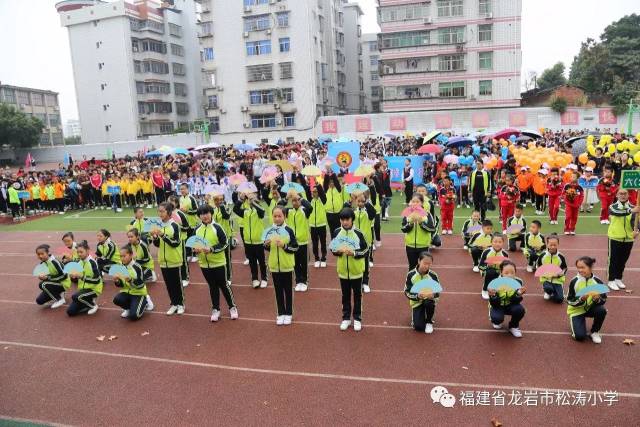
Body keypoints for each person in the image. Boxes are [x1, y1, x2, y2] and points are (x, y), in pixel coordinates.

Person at [194, 204, 238, 322]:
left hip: (218, 263)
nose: (205, 216)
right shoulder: (197, 229)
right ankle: (215, 309)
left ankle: (232, 307)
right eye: (202, 214)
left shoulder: (217, 227)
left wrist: (212, 249)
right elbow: (194, 245)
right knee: (212, 286)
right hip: (204, 264)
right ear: (199, 216)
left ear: (211, 213)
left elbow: (224, 243)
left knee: (223, 285)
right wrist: (195, 250)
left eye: (207, 213)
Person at [332, 208, 369, 332]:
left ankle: (357, 318)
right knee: (345, 295)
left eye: (347, 219)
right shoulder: (337, 232)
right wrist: (337, 251)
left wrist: (353, 253)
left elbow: (365, 250)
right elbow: (333, 249)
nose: (345, 222)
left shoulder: (359, 233)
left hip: (356, 271)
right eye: (342, 219)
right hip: (343, 271)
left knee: (357, 296)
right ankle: (346, 318)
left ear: (352, 219)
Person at [265, 206, 299, 325]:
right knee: (278, 291)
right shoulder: (269, 230)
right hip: (274, 266)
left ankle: (289, 313)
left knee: (288, 291)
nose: (277, 218)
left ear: (285, 216)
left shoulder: (289, 230)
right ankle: (280, 313)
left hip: (287, 266)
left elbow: (295, 247)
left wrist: (284, 246)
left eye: (280, 216)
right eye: (275, 216)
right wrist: (267, 244)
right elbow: (267, 248)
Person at [150, 202, 185, 315]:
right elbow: (158, 245)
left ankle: (181, 304)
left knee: (177, 284)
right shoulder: (158, 225)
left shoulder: (175, 225)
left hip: (174, 260)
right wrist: (155, 238)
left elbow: (175, 243)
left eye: (162, 211)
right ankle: (173, 304)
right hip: (163, 261)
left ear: (169, 212)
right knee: (169, 284)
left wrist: (162, 235)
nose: (160, 213)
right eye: (158, 211)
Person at [567, 256, 607, 344]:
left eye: (582, 267)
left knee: (602, 310)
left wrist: (597, 299)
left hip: (590, 308)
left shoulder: (597, 281)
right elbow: (569, 300)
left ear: (591, 267)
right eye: (578, 268)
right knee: (580, 337)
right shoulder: (574, 281)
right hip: (576, 310)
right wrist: (581, 299)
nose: (580, 270)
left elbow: (604, 299)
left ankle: (595, 332)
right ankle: (578, 322)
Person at [606, 188, 640, 291]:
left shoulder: (634, 207)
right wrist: (631, 210)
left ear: (628, 195)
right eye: (620, 193)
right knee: (613, 260)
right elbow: (618, 212)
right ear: (617, 195)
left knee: (623, 260)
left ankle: (618, 278)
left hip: (629, 239)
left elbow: (636, 221)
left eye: (625, 193)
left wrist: (637, 230)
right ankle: (611, 280)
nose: (623, 195)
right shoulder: (613, 206)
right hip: (615, 237)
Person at [233, 191, 268, 288]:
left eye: (253, 198)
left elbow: (262, 211)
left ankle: (264, 278)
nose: (250, 200)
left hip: (258, 241)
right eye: (249, 199)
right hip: (248, 241)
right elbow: (235, 209)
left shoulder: (259, 211)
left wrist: (253, 202)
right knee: (252, 261)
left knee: (261, 261)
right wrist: (241, 199)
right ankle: (255, 278)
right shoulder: (245, 212)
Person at [283, 190, 313, 292]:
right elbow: (278, 208)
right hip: (293, 243)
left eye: (297, 200)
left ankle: (304, 281)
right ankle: (298, 281)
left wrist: (300, 198)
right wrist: (286, 198)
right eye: (293, 200)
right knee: (295, 263)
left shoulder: (304, 211)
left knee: (303, 263)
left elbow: (310, 207)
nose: (295, 202)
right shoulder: (289, 211)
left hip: (303, 242)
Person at [404, 252, 440, 334]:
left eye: (429, 264)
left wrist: (433, 295)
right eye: (425, 263)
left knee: (429, 302)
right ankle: (419, 315)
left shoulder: (433, 275)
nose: (427, 266)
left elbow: (437, 292)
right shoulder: (411, 275)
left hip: (428, 301)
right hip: (417, 302)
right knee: (418, 327)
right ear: (419, 261)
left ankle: (429, 321)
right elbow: (406, 292)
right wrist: (417, 296)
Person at [488, 260, 526, 338]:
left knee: (520, 310)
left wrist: (518, 294)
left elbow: (516, 301)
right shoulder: (495, 282)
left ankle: (513, 326)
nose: (509, 275)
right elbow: (494, 303)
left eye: (512, 272)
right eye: (506, 273)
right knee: (497, 319)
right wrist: (493, 296)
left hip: (511, 304)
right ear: (501, 272)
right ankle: (497, 319)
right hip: (497, 305)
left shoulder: (518, 282)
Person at [66, 240, 102, 316]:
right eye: (78, 252)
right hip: (83, 290)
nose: (79, 254)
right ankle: (86, 302)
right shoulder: (79, 262)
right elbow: (77, 278)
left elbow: (97, 280)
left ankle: (93, 305)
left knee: (76, 297)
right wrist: (73, 277)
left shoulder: (92, 263)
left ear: (87, 251)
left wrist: (82, 277)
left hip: (94, 289)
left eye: (81, 252)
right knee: (70, 312)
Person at [113, 244, 149, 320]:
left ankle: (145, 302)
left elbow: (141, 285)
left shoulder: (137, 267)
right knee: (116, 300)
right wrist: (117, 281)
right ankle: (128, 308)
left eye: (124, 256)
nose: (122, 258)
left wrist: (130, 280)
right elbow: (121, 285)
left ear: (131, 255)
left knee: (134, 316)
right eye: (121, 256)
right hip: (127, 292)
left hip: (138, 293)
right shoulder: (120, 267)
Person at [401, 194, 436, 270]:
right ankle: (411, 281)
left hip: (423, 245)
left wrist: (421, 223)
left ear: (422, 203)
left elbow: (431, 229)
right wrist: (410, 223)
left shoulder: (427, 214)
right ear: (410, 202)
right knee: (412, 267)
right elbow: (403, 229)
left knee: (423, 267)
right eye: (413, 201)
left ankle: (423, 281)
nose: (415, 203)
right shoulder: (407, 213)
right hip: (410, 245)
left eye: (418, 201)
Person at [34, 244, 69, 309]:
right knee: (39, 301)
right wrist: (42, 277)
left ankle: (60, 299)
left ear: (47, 253)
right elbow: (48, 277)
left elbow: (65, 276)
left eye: (42, 254)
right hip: (54, 284)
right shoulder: (42, 264)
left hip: (64, 283)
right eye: (38, 254)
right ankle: (58, 293)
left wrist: (47, 278)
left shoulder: (55, 262)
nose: (40, 256)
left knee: (42, 284)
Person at [536, 234, 568, 303]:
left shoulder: (561, 256)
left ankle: (555, 292)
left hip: (557, 280)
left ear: (558, 244)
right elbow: (538, 267)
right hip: (546, 279)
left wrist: (559, 275)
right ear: (547, 244)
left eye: (555, 245)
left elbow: (565, 268)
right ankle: (548, 291)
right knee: (548, 288)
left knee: (560, 299)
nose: (553, 247)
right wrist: (545, 274)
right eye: (551, 245)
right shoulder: (542, 255)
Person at [168, 195, 192, 287]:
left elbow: (187, 227)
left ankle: (185, 277)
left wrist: (178, 226)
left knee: (182, 259)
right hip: (170, 240)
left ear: (176, 203)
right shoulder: (167, 213)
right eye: (169, 201)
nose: (170, 203)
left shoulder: (180, 214)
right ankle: (177, 277)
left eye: (172, 201)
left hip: (181, 239)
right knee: (174, 259)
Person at [479, 234, 509, 300]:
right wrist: (487, 266)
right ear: (491, 242)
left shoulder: (505, 254)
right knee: (491, 272)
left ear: (503, 243)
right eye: (495, 242)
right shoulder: (486, 252)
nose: (497, 244)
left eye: (500, 242)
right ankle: (485, 289)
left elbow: (506, 266)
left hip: (500, 272)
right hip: (488, 271)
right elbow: (481, 265)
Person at [179, 182, 200, 263]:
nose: (182, 190)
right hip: (184, 224)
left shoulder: (192, 198)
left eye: (183, 189)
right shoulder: (180, 198)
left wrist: (187, 211)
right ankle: (188, 254)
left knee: (193, 239)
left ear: (188, 189)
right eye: (181, 189)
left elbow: (197, 210)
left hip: (193, 223)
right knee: (186, 239)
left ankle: (195, 254)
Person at [309, 182, 328, 268]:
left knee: (323, 243)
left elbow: (322, 194)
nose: (314, 193)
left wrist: (318, 185)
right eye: (313, 192)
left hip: (322, 225)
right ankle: (316, 258)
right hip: (313, 226)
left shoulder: (322, 200)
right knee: (315, 243)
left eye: (316, 191)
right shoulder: (310, 201)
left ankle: (323, 258)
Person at [323, 169, 344, 238]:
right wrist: (327, 173)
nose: (331, 183)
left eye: (333, 182)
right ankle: (333, 245)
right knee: (332, 230)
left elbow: (336, 181)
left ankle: (339, 244)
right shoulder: (326, 189)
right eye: (330, 182)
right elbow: (325, 182)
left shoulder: (338, 189)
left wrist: (332, 173)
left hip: (338, 212)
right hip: (329, 213)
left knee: (338, 229)